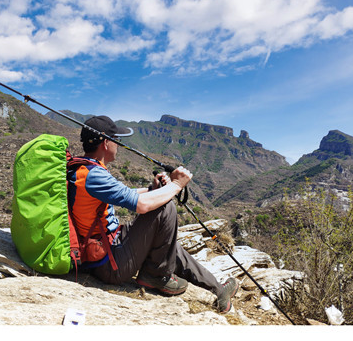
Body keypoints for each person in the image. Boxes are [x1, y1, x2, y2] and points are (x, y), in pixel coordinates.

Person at [69, 115, 239, 312]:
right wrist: (176, 185)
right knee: (165, 208)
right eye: (117, 140)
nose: (119, 145)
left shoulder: (85, 169)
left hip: (105, 248)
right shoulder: (94, 175)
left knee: (168, 244)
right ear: (106, 143)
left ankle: (218, 290)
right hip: (108, 264)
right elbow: (141, 205)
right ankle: (155, 275)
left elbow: (126, 194)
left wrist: (154, 190)